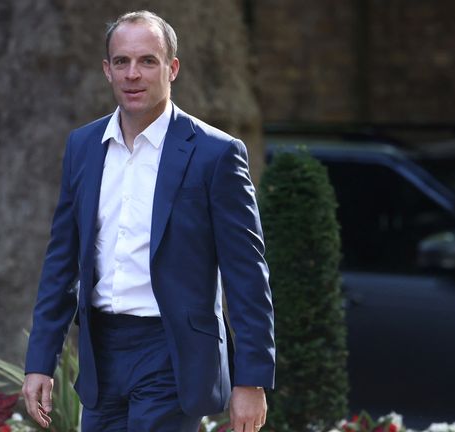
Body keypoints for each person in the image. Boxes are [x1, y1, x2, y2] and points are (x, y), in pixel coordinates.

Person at [22, 10, 275, 432]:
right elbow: (61, 263)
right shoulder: (83, 146)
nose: (132, 74)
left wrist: (251, 379)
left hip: (172, 352)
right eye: (121, 62)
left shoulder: (216, 153)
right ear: (107, 70)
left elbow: (247, 274)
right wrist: (40, 362)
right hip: (101, 354)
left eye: (147, 61)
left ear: (172, 68)